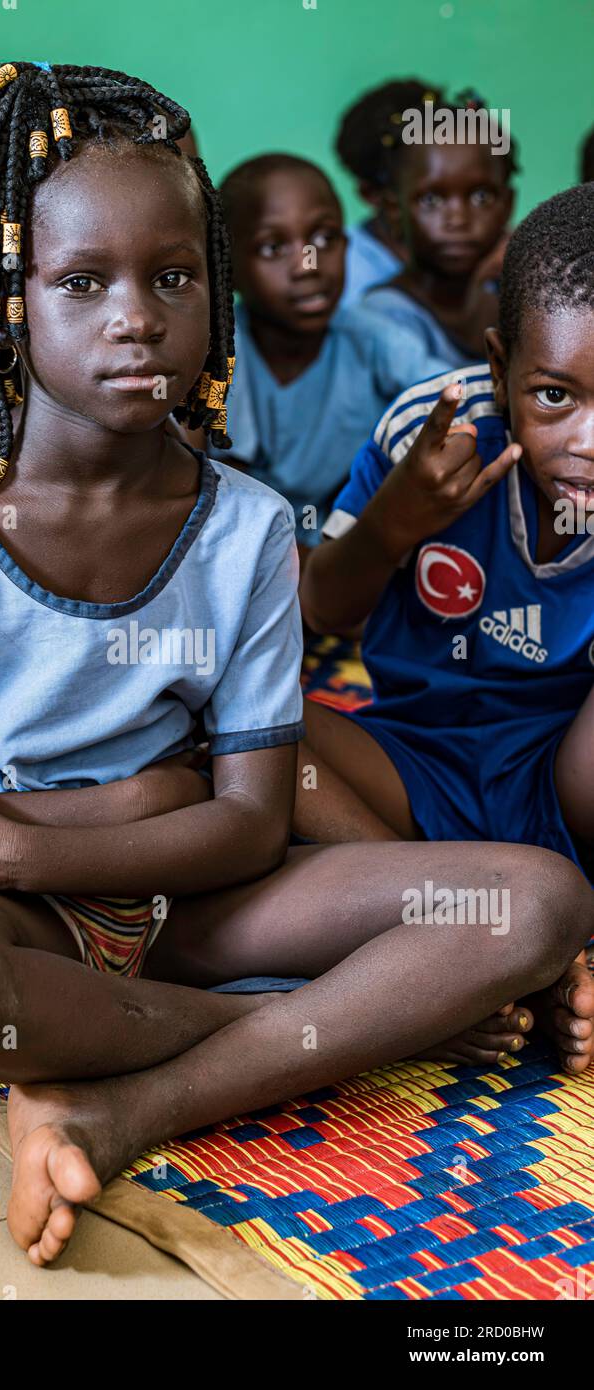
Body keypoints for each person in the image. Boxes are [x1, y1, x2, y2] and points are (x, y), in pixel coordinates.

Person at [0, 64, 590, 1269]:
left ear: (212, 289)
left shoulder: (247, 529)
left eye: (173, 276)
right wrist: (94, 821)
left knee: (534, 900)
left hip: (204, 903)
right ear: (4, 297)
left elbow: (242, 828)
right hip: (15, 926)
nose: (136, 316)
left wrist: (16, 836)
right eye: (82, 282)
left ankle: (117, 1098)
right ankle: (295, 1030)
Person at [296, 184, 594, 1077]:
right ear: (500, 365)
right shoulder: (430, 433)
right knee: (245, 723)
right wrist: (395, 521)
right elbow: (321, 610)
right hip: (412, 768)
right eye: (552, 395)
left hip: (567, 786)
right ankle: (451, 925)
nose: (588, 442)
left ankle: (526, 950)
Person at [209, 154, 449, 555]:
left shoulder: (368, 337)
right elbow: (238, 508)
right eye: (273, 247)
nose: (307, 267)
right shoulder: (225, 354)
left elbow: (456, 396)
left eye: (323, 239)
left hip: (352, 536)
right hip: (260, 551)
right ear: (227, 268)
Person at [365, 90, 515, 369]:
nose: (457, 219)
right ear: (393, 211)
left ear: (507, 205)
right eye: (431, 200)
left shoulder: (517, 301)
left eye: (481, 197)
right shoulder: (383, 318)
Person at [334, 78, 440, 306]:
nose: (460, 215)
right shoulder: (345, 281)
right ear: (371, 194)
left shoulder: (495, 252)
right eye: (431, 198)